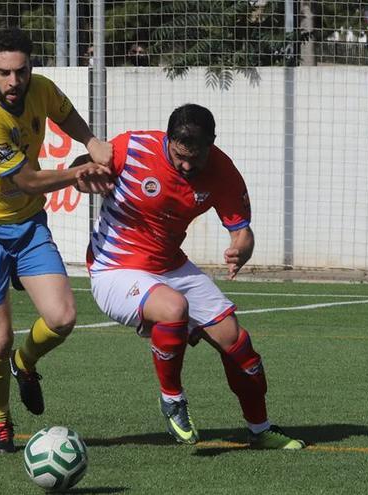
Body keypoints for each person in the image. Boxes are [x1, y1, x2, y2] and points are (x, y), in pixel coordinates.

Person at [77, 104, 306, 449]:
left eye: (194, 158)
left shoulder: (223, 171)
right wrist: (82, 177)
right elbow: (79, 171)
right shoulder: (132, 149)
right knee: (173, 308)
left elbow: (242, 232)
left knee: (237, 343)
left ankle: (260, 429)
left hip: (170, 265)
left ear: (211, 145)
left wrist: (242, 249)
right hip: (114, 267)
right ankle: (172, 400)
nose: (186, 166)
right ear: (167, 139)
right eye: (178, 155)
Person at [0, 27, 113, 454]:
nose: (13, 81)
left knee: (62, 318)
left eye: (20, 71)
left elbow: (66, 114)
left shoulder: (41, 89)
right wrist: (79, 172)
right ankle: (1, 424)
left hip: (26, 226)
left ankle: (27, 364)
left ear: (31, 68)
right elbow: (26, 180)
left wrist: (91, 141)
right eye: (3, 72)